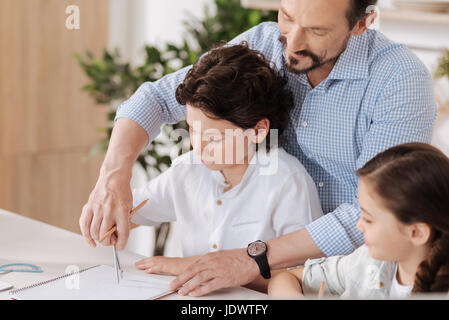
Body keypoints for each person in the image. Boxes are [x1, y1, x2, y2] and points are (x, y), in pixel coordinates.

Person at [79, 0, 437, 297]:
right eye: (287, 15)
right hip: (274, 282)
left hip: (354, 278)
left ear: (363, 23)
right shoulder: (266, 43)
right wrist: (113, 178)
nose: (291, 43)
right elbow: (157, 98)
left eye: (317, 31)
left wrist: (250, 259)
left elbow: (375, 212)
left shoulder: (399, 80)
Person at [127, 43, 323, 282]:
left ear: (258, 130)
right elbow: (132, 212)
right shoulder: (188, 170)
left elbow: (308, 277)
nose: (198, 145)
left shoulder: (287, 182)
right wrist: (111, 213)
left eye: (214, 138)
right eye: (192, 130)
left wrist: (187, 267)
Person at [268, 143, 449, 298]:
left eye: (368, 219)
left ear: (417, 233)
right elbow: (285, 279)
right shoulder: (366, 262)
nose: (359, 225)